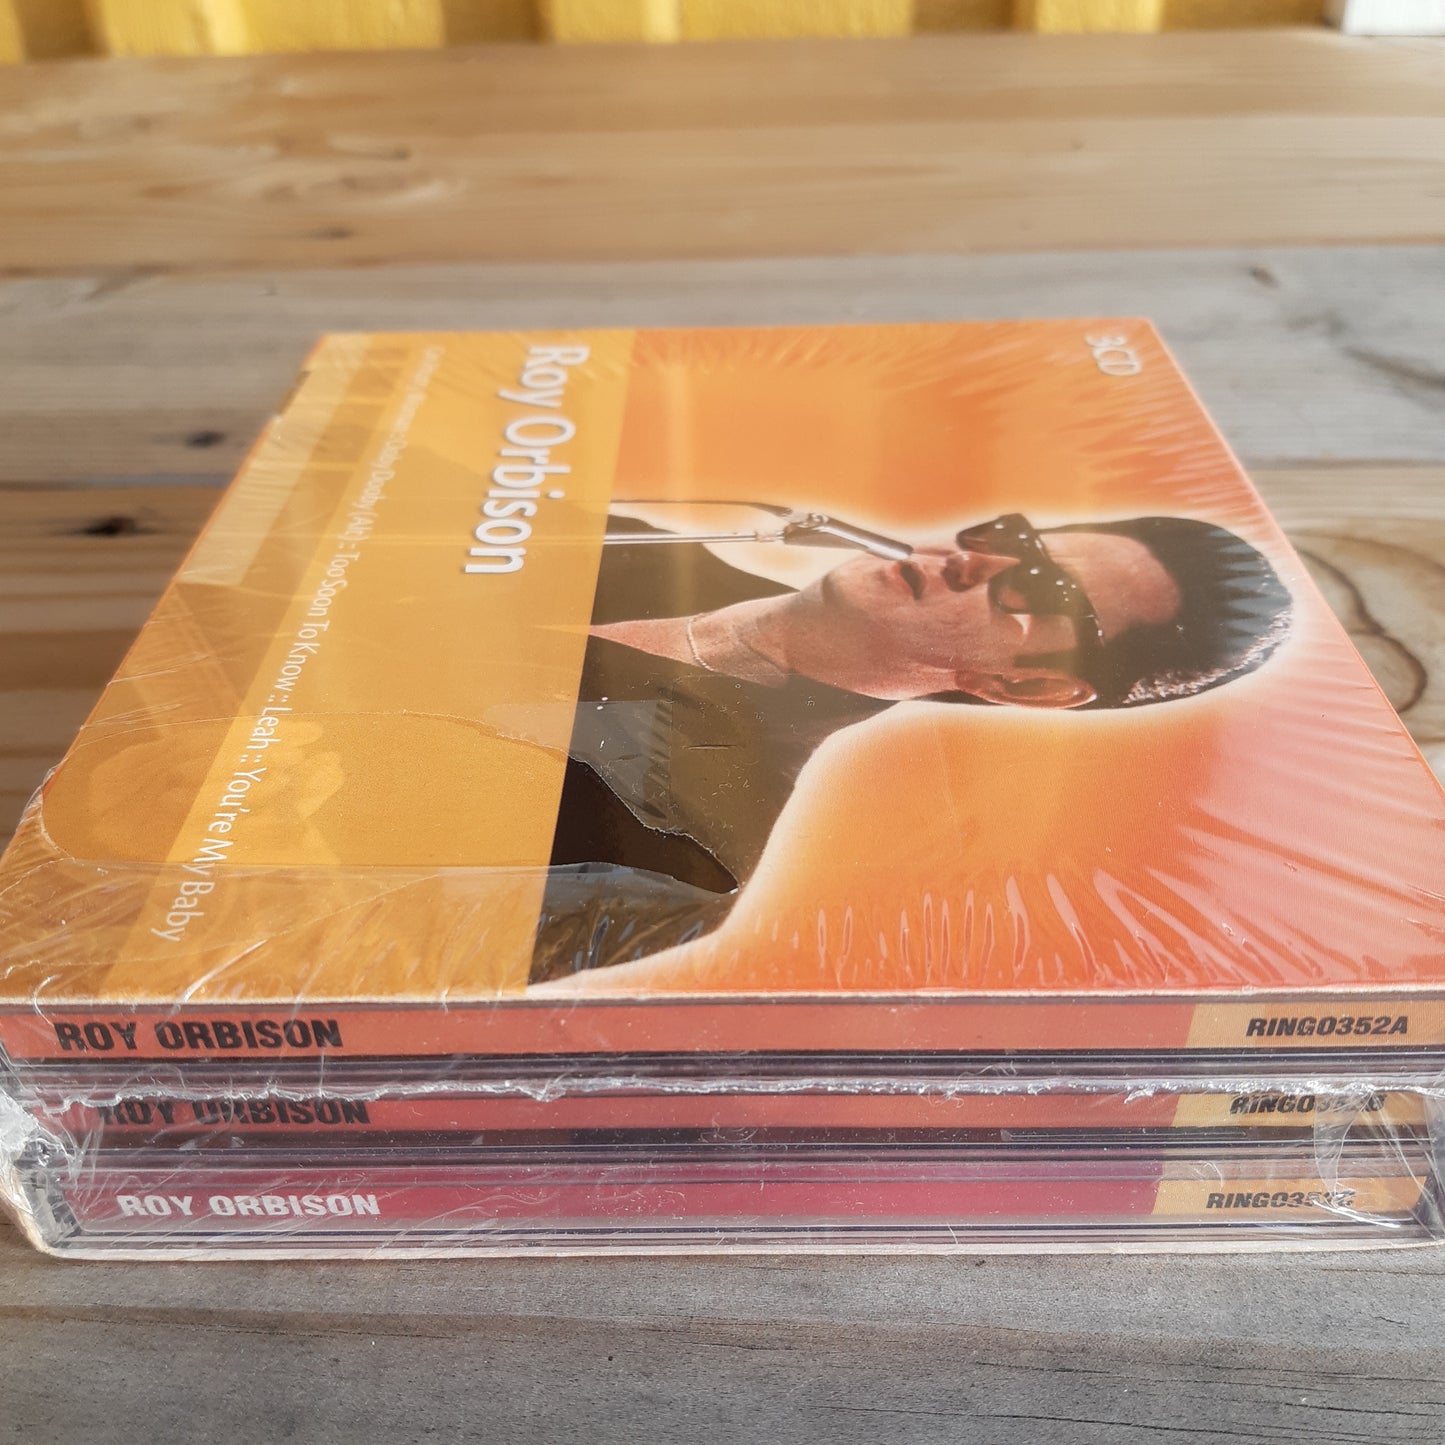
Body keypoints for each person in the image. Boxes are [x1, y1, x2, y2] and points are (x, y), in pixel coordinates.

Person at [528, 509, 1292, 984]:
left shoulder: (692, 852)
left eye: (1037, 589)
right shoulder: (624, 532)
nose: (969, 560)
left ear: (1028, 685)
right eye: (1011, 538)